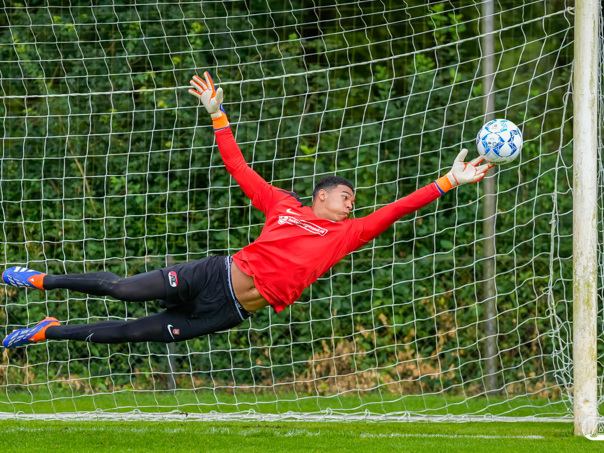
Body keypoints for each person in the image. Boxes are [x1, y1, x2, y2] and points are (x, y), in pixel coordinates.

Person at [1, 72, 492, 348]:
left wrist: (449, 181)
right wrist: (218, 113)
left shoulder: (346, 235)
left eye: (353, 201)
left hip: (226, 311)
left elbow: (397, 209)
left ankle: (49, 332)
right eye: (345, 196)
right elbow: (238, 167)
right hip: (212, 275)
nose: (352, 204)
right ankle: (41, 280)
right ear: (322, 195)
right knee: (122, 289)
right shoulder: (283, 204)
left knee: (133, 333)